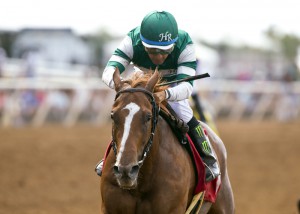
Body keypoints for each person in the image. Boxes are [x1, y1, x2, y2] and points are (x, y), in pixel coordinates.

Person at [95, 11, 220, 182]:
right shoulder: (132, 40)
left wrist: (165, 94)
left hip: (173, 85)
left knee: (183, 111)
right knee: (127, 113)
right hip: (142, 84)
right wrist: (122, 86)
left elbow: (186, 88)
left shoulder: (185, 43)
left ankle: (208, 157)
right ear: (142, 43)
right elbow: (108, 71)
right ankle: (111, 157)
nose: (159, 57)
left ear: (173, 44)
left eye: (165, 51)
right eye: (152, 51)